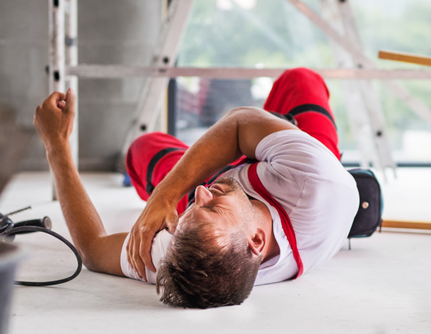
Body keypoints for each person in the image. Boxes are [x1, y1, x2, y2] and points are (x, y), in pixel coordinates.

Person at [33, 68, 359, 309]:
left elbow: (92, 249)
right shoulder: (314, 179)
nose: (202, 194)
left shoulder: (187, 254)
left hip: (242, 187)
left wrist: (56, 145)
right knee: (300, 79)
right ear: (256, 240)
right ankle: (273, 130)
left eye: (191, 212)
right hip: (300, 170)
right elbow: (239, 120)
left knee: (142, 148)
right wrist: (168, 194)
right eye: (211, 209)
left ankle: (253, 140)